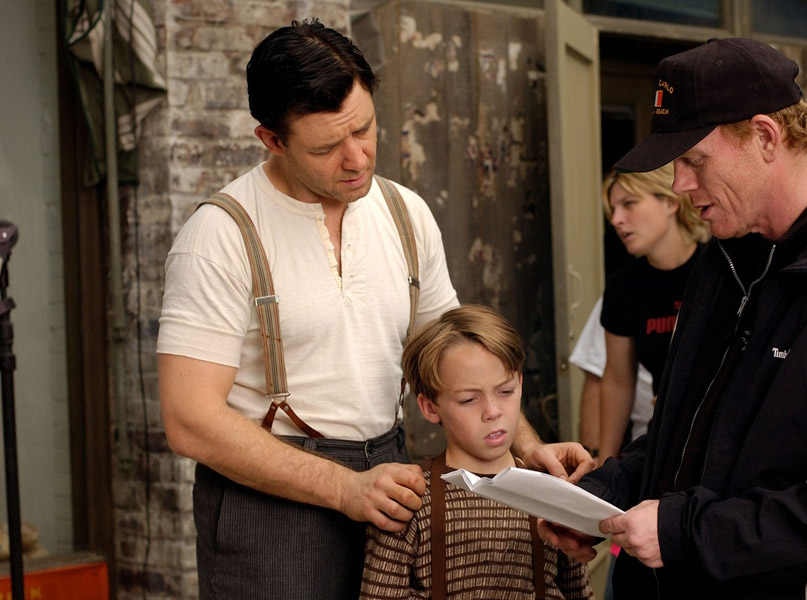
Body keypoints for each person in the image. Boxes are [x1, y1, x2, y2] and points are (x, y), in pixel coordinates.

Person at [156, 19, 593, 599]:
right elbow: (189, 420)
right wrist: (343, 489)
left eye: (364, 129)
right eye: (326, 146)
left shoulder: (405, 213)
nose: (357, 157)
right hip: (270, 498)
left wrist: (523, 443)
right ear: (272, 140)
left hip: (394, 474)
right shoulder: (219, 235)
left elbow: (462, 362)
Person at [539, 37, 807, 599]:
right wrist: (600, 495)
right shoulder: (722, 257)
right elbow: (685, 434)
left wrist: (686, 532)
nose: (680, 184)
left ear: (764, 136)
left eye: (694, 160)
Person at [360, 305, 595, 599]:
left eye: (505, 391)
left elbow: (579, 594)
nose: (493, 412)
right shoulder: (408, 500)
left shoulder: (551, 492)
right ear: (430, 408)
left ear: (521, 385)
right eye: (469, 399)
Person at [595, 163, 708, 464]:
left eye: (629, 204)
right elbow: (618, 378)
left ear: (670, 202)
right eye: (613, 210)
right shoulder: (623, 287)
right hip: (665, 441)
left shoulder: (719, 269)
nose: (617, 220)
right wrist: (605, 465)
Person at [569, 297, 654, 461]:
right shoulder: (624, 290)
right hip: (646, 447)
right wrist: (594, 457)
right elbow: (598, 373)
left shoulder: (710, 285)